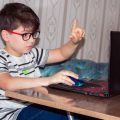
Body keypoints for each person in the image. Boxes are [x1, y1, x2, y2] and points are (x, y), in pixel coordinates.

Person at [0, 2, 84, 120]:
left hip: (34, 107)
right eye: (25, 35)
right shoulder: (1, 58)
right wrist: (48, 80)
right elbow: (8, 83)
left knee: (76, 111)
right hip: (13, 114)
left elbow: (61, 53)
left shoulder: (32, 53)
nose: (32, 40)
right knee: (56, 111)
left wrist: (73, 43)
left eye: (34, 34)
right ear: (6, 35)